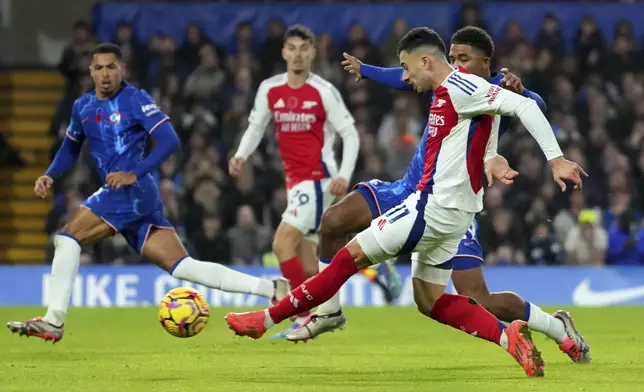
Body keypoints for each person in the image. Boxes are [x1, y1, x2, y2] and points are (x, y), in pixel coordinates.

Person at [225, 27, 586, 377]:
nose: (406, 77)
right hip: (449, 214)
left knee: (345, 262)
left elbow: (528, 106)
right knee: (428, 300)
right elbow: (481, 128)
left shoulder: (462, 88)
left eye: (407, 67)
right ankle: (508, 337)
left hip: (427, 207)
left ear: (427, 62)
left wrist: (555, 159)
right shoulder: (457, 91)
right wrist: (492, 156)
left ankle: (266, 318)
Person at [6, 43, 290, 343]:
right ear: (91, 71)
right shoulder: (82, 107)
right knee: (184, 268)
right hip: (129, 196)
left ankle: (54, 320)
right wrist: (50, 173)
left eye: (111, 67)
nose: (105, 74)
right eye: (99, 67)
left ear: (122, 69)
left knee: (67, 238)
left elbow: (169, 140)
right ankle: (271, 289)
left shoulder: (135, 99)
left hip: (132, 190)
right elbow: (70, 147)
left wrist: (135, 172)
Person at [229, 25, 363, 337]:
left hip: (318, 180)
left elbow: (350, 134)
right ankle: (362, 284)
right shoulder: (270, 89)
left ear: (313, 52)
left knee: (281, 242)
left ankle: (299, 313)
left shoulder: (323, 91)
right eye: (292, 48)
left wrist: (344, 174)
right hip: (297, 183)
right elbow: (256, 126)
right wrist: (240, 154)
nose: (298, 54)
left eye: (304, 48)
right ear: (284, 52)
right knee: (309, 263)